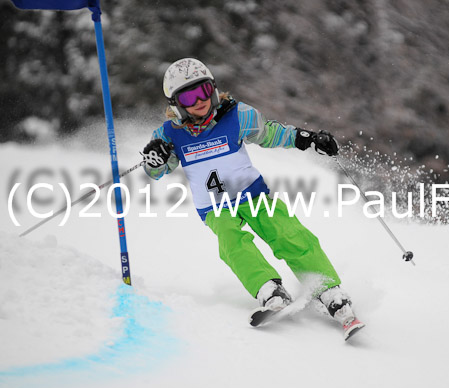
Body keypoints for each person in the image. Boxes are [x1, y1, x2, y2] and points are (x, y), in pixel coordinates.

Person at [141, 58, 364, 339]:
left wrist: (307, 138)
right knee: (232, 242)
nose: (199, 100)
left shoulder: (237, 116)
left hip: (252, 193)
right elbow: (157, 171)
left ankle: (328, 289)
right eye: (188, 96)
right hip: (213, 206)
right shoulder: (168, 134)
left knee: (287, 233)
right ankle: (269, 288)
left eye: (203, 90)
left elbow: (271, 134)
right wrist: (155, 158)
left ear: (213, 89)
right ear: (176, 103)